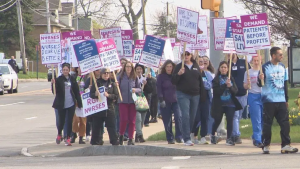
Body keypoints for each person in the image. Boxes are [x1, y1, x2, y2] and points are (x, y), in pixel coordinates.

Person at [258, 47, 298, 154]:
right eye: (280, 54)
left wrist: (286, 99)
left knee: (285, 123)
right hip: (269, 100)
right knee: (267, 123)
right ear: (274, 55)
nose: (282, 56)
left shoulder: (282, 67)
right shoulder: (265, 67)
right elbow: (259, 84)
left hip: (281, 100)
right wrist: (260, 78)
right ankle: (266, 144)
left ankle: (285, 144)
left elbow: (285, 84)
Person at [172, 51, 206, 146]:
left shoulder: (196, 66)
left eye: (188, 54)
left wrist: (202, 94)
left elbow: (200, 81)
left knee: (192, 116)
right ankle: (186, 138)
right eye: (184, 55)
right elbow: (173, 81)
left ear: (191, 56)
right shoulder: (179, 66)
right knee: (185, 115)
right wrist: (179, 74)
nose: (186, 56)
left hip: (195, 95)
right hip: (183, 94)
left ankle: (187, 133)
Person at [210, 61, 242, 146]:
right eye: (222, 67)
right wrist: (224, 85)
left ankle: (229, 138)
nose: (223, 69)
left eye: (225, 67)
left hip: (230, 103)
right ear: (219, 69)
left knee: (230, 120)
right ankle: (213, 135)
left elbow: (235, 91)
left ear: (228, 69)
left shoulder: (230, 78)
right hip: (219, 103)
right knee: (217, 120)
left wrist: (230, 86)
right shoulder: (216, 79)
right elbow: (217, 92)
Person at [52, 63, 82, 146]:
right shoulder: (59, 79)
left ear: (69, 70)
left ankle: (68, 137)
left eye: (67, 70)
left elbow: (76, 92)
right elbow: (55, 91)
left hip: (71, 103)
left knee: (69, 121)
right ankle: (59, 134)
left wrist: (79, 103)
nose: (65, 71)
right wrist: (53, 84)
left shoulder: (72, 79)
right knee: (61, 121)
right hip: (61, 104)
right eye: (64, 70)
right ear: (62, 70)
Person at [89, 68, 119, 145]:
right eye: (104, 73)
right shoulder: (97, 83)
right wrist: (95, 94)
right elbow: (91, 95)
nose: (106, 75)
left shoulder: (112, 84)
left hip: (109, 108)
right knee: (96, 126)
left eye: (107, 73)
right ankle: (96, 141)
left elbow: (116, 96)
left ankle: (114, 141)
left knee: (111, 125)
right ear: (101, 74)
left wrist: (108, 95)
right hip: (99, 108)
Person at [157, 60, 183, 144]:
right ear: (165, 68)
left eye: (170, 67)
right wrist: (161, 99)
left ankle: (179, 136)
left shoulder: (175, 76)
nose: (169, 68)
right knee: (167, 121)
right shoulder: (161, 77)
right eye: (167, 67)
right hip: (165, 101)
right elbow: (159, 89)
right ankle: (170, 138)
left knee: (178, 117)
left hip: (176, 100)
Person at [117, 61, 141, 145]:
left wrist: (135, 90)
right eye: (127, 66)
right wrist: (116, 85)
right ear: (124, 68)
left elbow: (140, 89)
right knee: (124, 120)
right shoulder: (120, 77)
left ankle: (131, 138)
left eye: (130, 67)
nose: (128, 68)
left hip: (132, 102)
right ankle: (121, 135)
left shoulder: (135, 77)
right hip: (122, 101)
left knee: (132, 121)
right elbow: (116, 88)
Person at [192, 56, 214, 144]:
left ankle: (203, 136)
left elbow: (209, 85)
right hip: (196, 98)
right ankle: (194, 134)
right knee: (196, 118)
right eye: (199, 62)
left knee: (205, 117)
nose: (201, 63)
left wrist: (201, 83)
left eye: (202, 62)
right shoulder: (193, 73)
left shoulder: (207, 74)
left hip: (206, 99)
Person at [229, 54, 250, 144]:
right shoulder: (227, 64)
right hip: (233, 94)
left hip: (243, 94)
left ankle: (233, 133)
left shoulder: (243, 62)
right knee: (235, 116)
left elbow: (249, 73)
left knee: (239, 116)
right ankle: (236, 135)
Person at [243, 56, 263, 148]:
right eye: (254, 61)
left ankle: (258, 136)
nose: (256, 62)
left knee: (264, 118)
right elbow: (245, 86)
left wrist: (262, 78)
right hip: (253, 96)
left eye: (257, 60)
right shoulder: (248, 72)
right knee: (256, 118)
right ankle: (258, 140)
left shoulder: (263, 71)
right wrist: (247, 84)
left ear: (260, 61)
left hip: (263, 96)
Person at [135, 64, 153, 143]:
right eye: (137, 69)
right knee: (138, 119)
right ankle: (140, 135)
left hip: (144, 102)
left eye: (140, 69)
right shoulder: (133, 78)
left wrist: (147, 83)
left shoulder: (145, 78)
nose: (139, 71)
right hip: (135, 101)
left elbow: (150, 90)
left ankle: (137, 135)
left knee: (142, 120)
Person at [84, 69, 101, 142]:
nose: (98, 72)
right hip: (91, 103)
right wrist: (88, 88)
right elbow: (84, 90)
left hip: (98, 103)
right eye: (97, 70)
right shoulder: (89, 79)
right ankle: (87, 133)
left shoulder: (101, 80)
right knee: (89, 119)